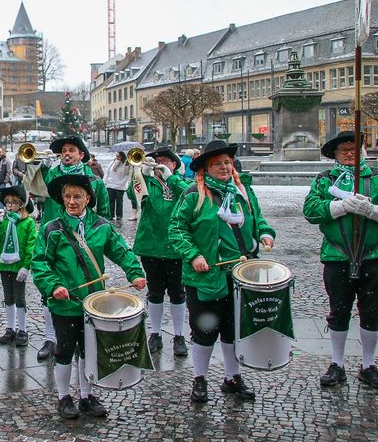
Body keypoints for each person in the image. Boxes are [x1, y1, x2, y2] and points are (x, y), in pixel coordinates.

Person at [32, 174, 147, 419]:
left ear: (87, 198)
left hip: (94, 303)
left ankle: (86, 396)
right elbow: (40, 263)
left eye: (77, 197)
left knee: (88, 350)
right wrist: (53, 286)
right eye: (67, 197)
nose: (71, 201)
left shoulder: (101, 226)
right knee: (63, 350)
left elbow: (121, 251)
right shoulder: (52, 228)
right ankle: (64, 397)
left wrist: (135, 273)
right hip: (65, 302)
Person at [169, 139, 275, 404]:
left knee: (233, 329)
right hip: (205, 276)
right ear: (205, 168)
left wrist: (264, 233)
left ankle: (232, 378)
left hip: (241, 275)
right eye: (217, 163)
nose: (224, 167)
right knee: (205, 330)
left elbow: (258, 218)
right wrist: (194, 255)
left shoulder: (243, 192)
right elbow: (177, 229)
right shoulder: (193, 194)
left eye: (227, 162)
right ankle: (200, 379)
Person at [303, 131, 378, 391]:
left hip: (374, 255)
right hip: (338, 256)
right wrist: (339, 207)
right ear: (335, 155)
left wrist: (375, 211)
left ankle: (368, 365)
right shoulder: (325, 180)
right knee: (338, 313)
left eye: (354, 148)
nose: (350, 153)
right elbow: (311, 211)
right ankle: (337, 363)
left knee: (371, 313)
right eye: (344, 150)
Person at [23, 136, 110, 362]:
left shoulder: (94, 180)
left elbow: (104, 214)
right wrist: (36, 166)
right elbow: (30, 189)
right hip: (54, 237)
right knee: (51, 289)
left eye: (72, 150)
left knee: (83, 287)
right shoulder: (53, 175)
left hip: (84, 240)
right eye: (64, 150)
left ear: (82, 155)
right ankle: (51, 338)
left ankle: (85, 334)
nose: (67, 154)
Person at [128, 146, 191, 357]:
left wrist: (171, 178)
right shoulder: (148, 183)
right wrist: (141, 175)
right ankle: (155, 333)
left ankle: (179, 334)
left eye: (164, 161)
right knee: (155, 291)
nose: (159, 165)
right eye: (156, 161)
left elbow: (190, 196)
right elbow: (132, 195)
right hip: (151, 246)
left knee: (177, 292)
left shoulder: (181, 182)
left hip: (176, 247)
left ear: (173, 164)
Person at [0, 185, 37, 347]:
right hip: (4, 264)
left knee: (19, 298)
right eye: (7, 203)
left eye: (13, 203)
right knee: (8, 297)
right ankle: (10, 328)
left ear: (21, 204)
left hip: (19, 265)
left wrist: (26, 266)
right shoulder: (5, 219)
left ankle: (22, 329)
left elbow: (31, 245)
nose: (9, 206)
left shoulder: (28, 222)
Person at [104, 151, 130, 221]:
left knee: (119, 201)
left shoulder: (126, 164)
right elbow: (108, 172)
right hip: (110, 184)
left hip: (120, 186)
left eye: (118, 156)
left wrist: (122, 183)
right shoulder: (113, 162)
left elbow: (127, 175)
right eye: (116, 156)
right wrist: (105, 182)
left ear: (122, 156)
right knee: (110, 201)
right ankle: (111, 215)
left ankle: (119, 215)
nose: (117, 158)